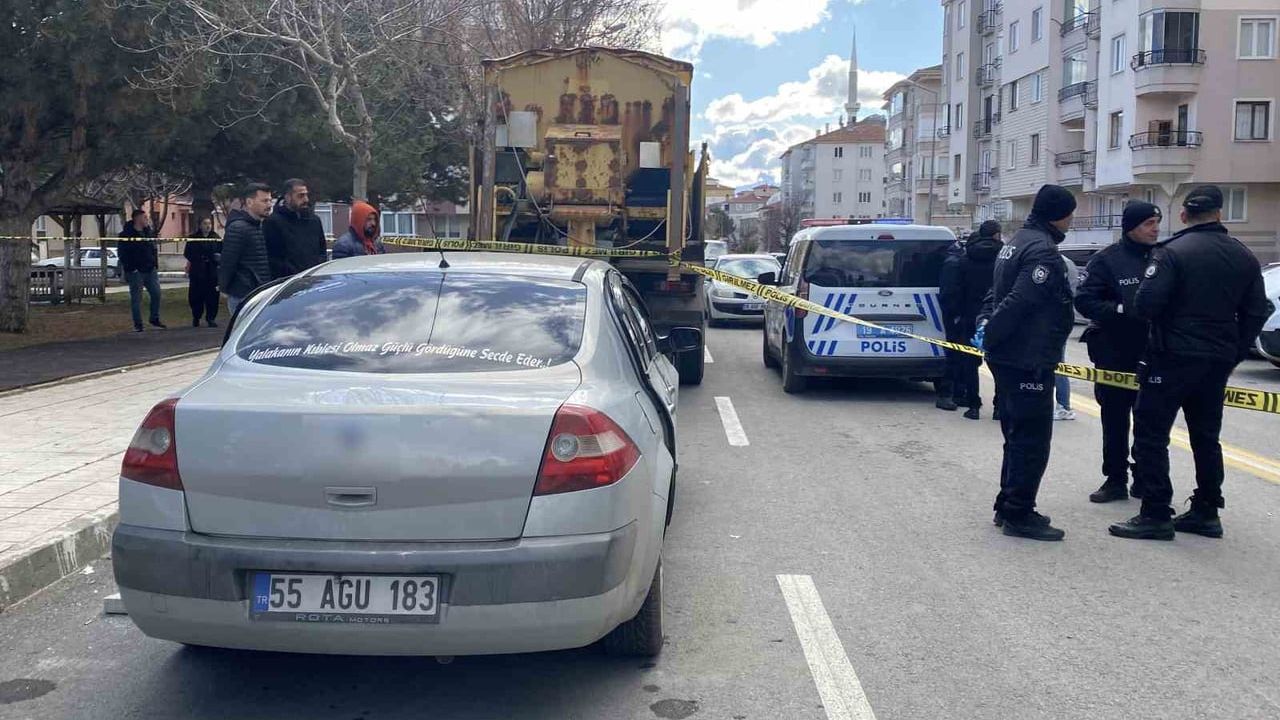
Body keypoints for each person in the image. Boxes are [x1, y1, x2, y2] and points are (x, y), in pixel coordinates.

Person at [1109, 186, 1269, 541]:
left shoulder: (1171, 253)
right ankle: (1207, 509)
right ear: (1219, 213)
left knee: (1151, 436)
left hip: (1170, 358)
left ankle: (1155, 512)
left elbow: (1146, 305)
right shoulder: (1243, 255)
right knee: (1206, 437)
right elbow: (1259, 310)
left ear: (1183, 215)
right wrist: (1235, 350)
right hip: (1216, 362)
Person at [978, 184, 1077, 541]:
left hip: (1011, 356)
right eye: (1070, 214)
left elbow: (995, 294)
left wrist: (986, 324)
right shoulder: (1043, 252)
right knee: (1032, 439)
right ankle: (1019, 511)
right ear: (1059, 215)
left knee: (1015, 435)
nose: (1071, 221)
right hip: (1028, 358)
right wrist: (992, 332)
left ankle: (1007, 504)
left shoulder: (1016, 242)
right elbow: (1019, 301)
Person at [1074, 201, 1161, 503]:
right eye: (1149, 223)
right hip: (1114, 352)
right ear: (1131, 227)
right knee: (1115, 418)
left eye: (1157, 222)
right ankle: (1114, 478)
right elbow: (1085, 301)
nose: (1155, 229)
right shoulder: (1107, 261)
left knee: (1150, 420)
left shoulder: (1162, 256)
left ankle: (1144, 477)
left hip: (1153, 353)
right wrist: (1121, 309)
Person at [940, 220, 1001, 419]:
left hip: (969, 316)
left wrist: (956, 315)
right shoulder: (1004, 257)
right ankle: (999, 407)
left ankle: (973, 406)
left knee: (969, 362)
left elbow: (955, 290)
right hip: (998, 315)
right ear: (997, 235)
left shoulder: (964, 259)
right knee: (999, 364)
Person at [218, 183, 273, 315]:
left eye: (270, 200)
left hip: (258, 292)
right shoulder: (238, 228)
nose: (269, 205)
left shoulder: (258, 226)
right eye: (264, 201)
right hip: (243, 294)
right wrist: (223, 287)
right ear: (249, 202)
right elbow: (228, 261)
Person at [263, 178, 327, 280]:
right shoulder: (273, 222)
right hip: (287, 283)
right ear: (288, 197)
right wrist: (296, 275)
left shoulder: (314, 221)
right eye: (301, 196)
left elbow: (322, 251)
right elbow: (273, 258)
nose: (306, 199)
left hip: (313, 280)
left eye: (306, 195)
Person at [118, 210, 165, 332]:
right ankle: (138, 324)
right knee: (136, 298)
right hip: (136, 271)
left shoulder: (147, 232)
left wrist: (154, 264)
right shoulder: (126, 234)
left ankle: (154, 318)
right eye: (145, 217)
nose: (147, 219)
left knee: (156, 293)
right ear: (138, 218)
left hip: (150, 269)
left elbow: (153, 249)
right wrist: (131, 268)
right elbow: (122, 254)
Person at [1052, 256, 1081, 421]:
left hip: (1054, 320)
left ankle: (1063, 405)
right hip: (1063, 318)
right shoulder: (1068, 262)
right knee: (1058, 364)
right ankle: (1063, 405)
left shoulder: (1056, 262)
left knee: (1057, 364)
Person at [184, 217, 222, 328]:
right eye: (205, 223)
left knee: (212, 296)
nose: (208, 226)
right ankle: (196, 316)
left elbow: (221, 251)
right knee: (196, 296)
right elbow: (187, 253)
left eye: (209, 223)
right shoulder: (193, 238)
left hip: (211, 272)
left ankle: (211, 318)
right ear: (200, 225)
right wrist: (198, 259)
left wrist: (216, 259)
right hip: (197, 272)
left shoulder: (216, 238)